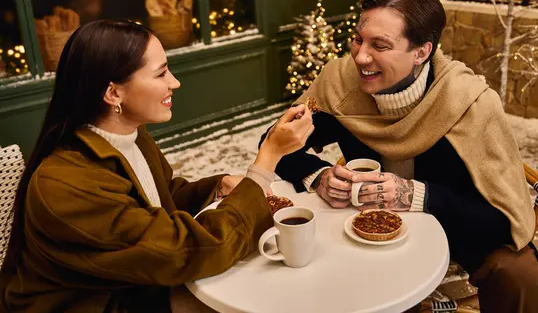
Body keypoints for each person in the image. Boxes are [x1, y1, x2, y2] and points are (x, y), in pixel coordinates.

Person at [262, 0, 538, 313]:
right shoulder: (339, 84)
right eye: (358, 39)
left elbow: (501, 219)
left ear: (421, 52)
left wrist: (417, 196)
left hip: (454, 224)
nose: (360, 56)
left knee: (519, 273)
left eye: (379, 45)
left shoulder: (470, 102)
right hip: (362, 226)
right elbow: (274, 142)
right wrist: (318, 174)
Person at [0, 20, 314, 313]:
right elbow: (189, 251)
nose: (174, 82)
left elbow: (156, 202)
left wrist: (216, 186)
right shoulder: (64, 186)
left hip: (135, 287)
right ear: (113, 93)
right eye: (161, 73)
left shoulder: (131, 136)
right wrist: (268, 158)